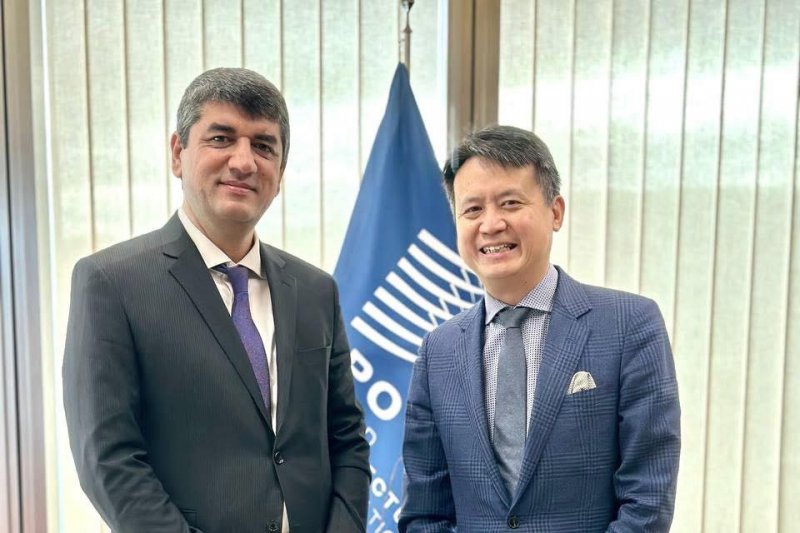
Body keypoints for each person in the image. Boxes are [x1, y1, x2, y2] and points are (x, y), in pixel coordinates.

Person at [63, 67, 370, 533]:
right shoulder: (110, 283)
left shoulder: (315, 290)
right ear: (177, 153)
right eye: (221, 139)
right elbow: (108, 459)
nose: (244, 162)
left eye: (263, 146)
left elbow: (346, 437)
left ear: (280, 173)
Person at [399, 125, 680, 532]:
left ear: (555, 212)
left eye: (510, 203)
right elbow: (425, 513)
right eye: (472, 210)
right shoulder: (438, 351)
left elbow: (647, 501)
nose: (491, 224)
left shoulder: (629, 325)